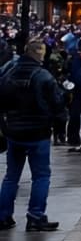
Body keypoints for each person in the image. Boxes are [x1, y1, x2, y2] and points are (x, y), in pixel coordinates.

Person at [0, 39, 67, 231]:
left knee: (11, 176)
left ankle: (3, 215)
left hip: (14, 130)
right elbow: (56, 104)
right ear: (39, 54)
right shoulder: (43, 75)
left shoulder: (9, 72)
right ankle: (36, 215)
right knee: (41, 176)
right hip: (38, 132)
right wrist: (60, 124)